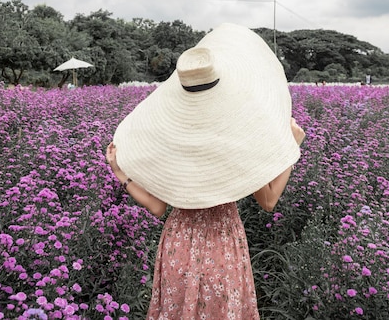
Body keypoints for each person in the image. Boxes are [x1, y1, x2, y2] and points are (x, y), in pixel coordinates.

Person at [106, 23, 305, 319]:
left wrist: (122, 175)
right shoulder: (236, 137)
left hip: (178, 245)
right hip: (223, 246)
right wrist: (291, 148)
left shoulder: (171, 136)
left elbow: (159, 207)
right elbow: (269, 200)